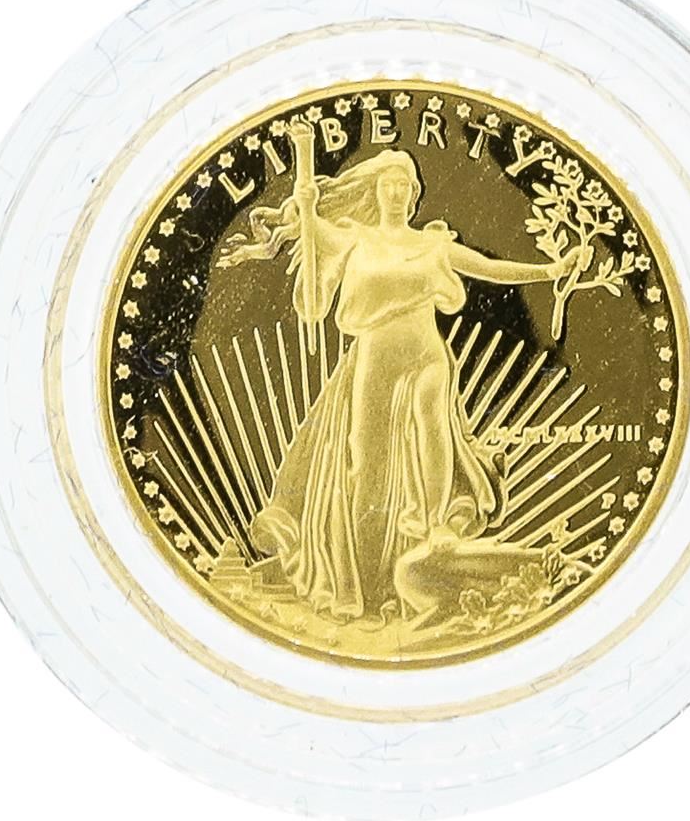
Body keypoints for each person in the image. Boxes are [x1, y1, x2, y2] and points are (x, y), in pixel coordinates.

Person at [217, 120, 589, 620]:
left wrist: (550, 271)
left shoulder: (433, 245)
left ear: (413, 196)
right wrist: (305, 185)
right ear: (375, 190)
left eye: (403, 185)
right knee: (364, 459)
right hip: (375, 357)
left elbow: (488, 268)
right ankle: (367, 573)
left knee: (433, 424)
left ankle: (433, 531)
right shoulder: (354, 240)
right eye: (388, 183)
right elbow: (311, 226)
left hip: (426, 353)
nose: (394, 191)